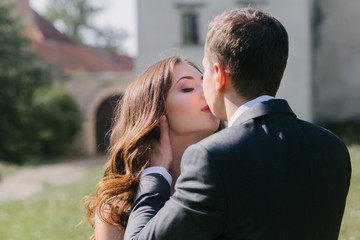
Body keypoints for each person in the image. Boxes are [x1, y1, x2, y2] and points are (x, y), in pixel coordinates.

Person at [124, 7, 352, 240]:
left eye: (205, 76)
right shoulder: (333, 148)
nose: (202, 89)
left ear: (219, 75)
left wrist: (154, 174)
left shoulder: (212, 158)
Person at [83, 56, 222, 239]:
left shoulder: (231, 181)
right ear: (155, 112)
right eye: (187, 88)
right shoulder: (117, 211)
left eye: (206, 83)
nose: (206, 92)